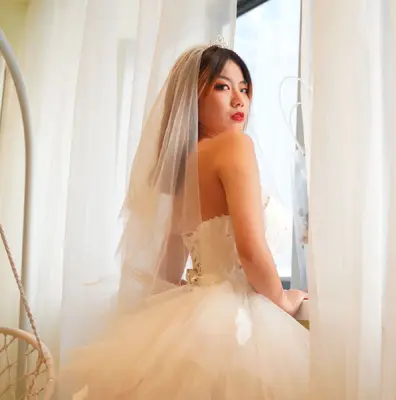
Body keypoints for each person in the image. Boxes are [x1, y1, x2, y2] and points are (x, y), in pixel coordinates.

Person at [60, 39, 309, 399]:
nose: (239, 100)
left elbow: (167, 269)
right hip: (236, 321)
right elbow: (251, 250)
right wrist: (283, 300)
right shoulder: (235, 146)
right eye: (223, 87)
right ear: (193, 97)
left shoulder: (180, 168)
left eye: (244, 88)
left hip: (199, 313)